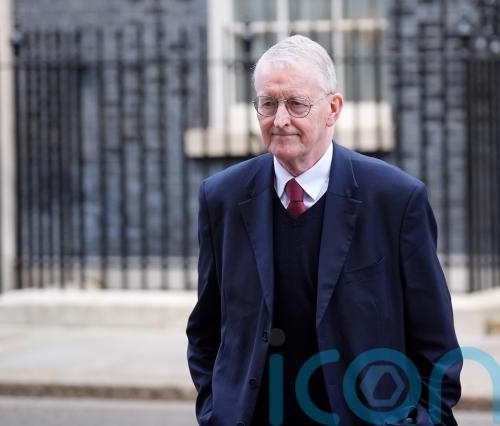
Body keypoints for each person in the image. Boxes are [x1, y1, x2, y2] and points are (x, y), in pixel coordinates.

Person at [186, 35, 462, 425]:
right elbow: (206, 330)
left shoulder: (396, 199)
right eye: (268, 104)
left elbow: (435, 342)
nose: (280, 119)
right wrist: (216, 411)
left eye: (296, 104)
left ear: (333, 109)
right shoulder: (222, 198)